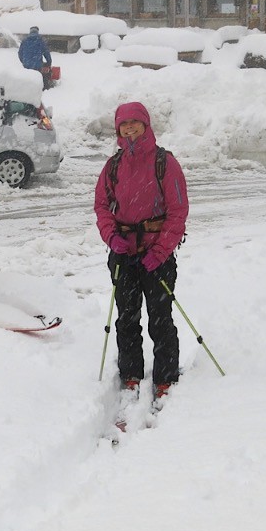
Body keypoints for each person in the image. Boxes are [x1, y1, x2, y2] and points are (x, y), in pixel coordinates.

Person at [94, 101, 189, 405]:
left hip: (155, 255)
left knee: (160, 317)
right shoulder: (113, 166)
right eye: (124, 123)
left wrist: (160, 251)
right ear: (118, 129)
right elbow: (101, 206)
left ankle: (165, 377)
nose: (130, 127)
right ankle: (130, 374)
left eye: (136, 122)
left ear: (146, 125)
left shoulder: (165, 163)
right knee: (127, 316)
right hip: (123, 253)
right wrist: (111, 236)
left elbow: (177, 211)